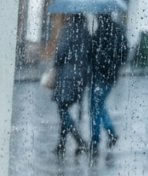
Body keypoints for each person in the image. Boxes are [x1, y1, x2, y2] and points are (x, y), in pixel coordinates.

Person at [88, 12, 128, 155]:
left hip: (99, 75)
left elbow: (91, 52)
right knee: (99, 104)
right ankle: (110, 132)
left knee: (95, 106)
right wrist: (115, 67)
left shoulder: (101, 33)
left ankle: (95, 140)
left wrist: (100, 61)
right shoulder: (119, 31)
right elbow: (125, 53)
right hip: (110, 77)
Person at [52, 13, 91, 157]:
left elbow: (61, 53)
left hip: (67, 77)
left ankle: (79, 140)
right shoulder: (87, 34)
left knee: (62, 110)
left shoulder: (67, 31)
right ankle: (61, 144)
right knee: (65, 110)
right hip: (80, 77)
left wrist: (56, 63)